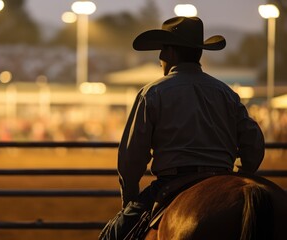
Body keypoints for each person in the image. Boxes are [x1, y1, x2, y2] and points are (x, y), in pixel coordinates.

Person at [99, 16, 265, 240]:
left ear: (171, 53)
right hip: (223, 177)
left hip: (172, 181)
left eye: (162, 50)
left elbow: (131, 158)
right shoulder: (226, 93)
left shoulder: (153, 93)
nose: (159, 58)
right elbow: (253, 145)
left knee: (112, 236)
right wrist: (238, 176)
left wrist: (129, 200)